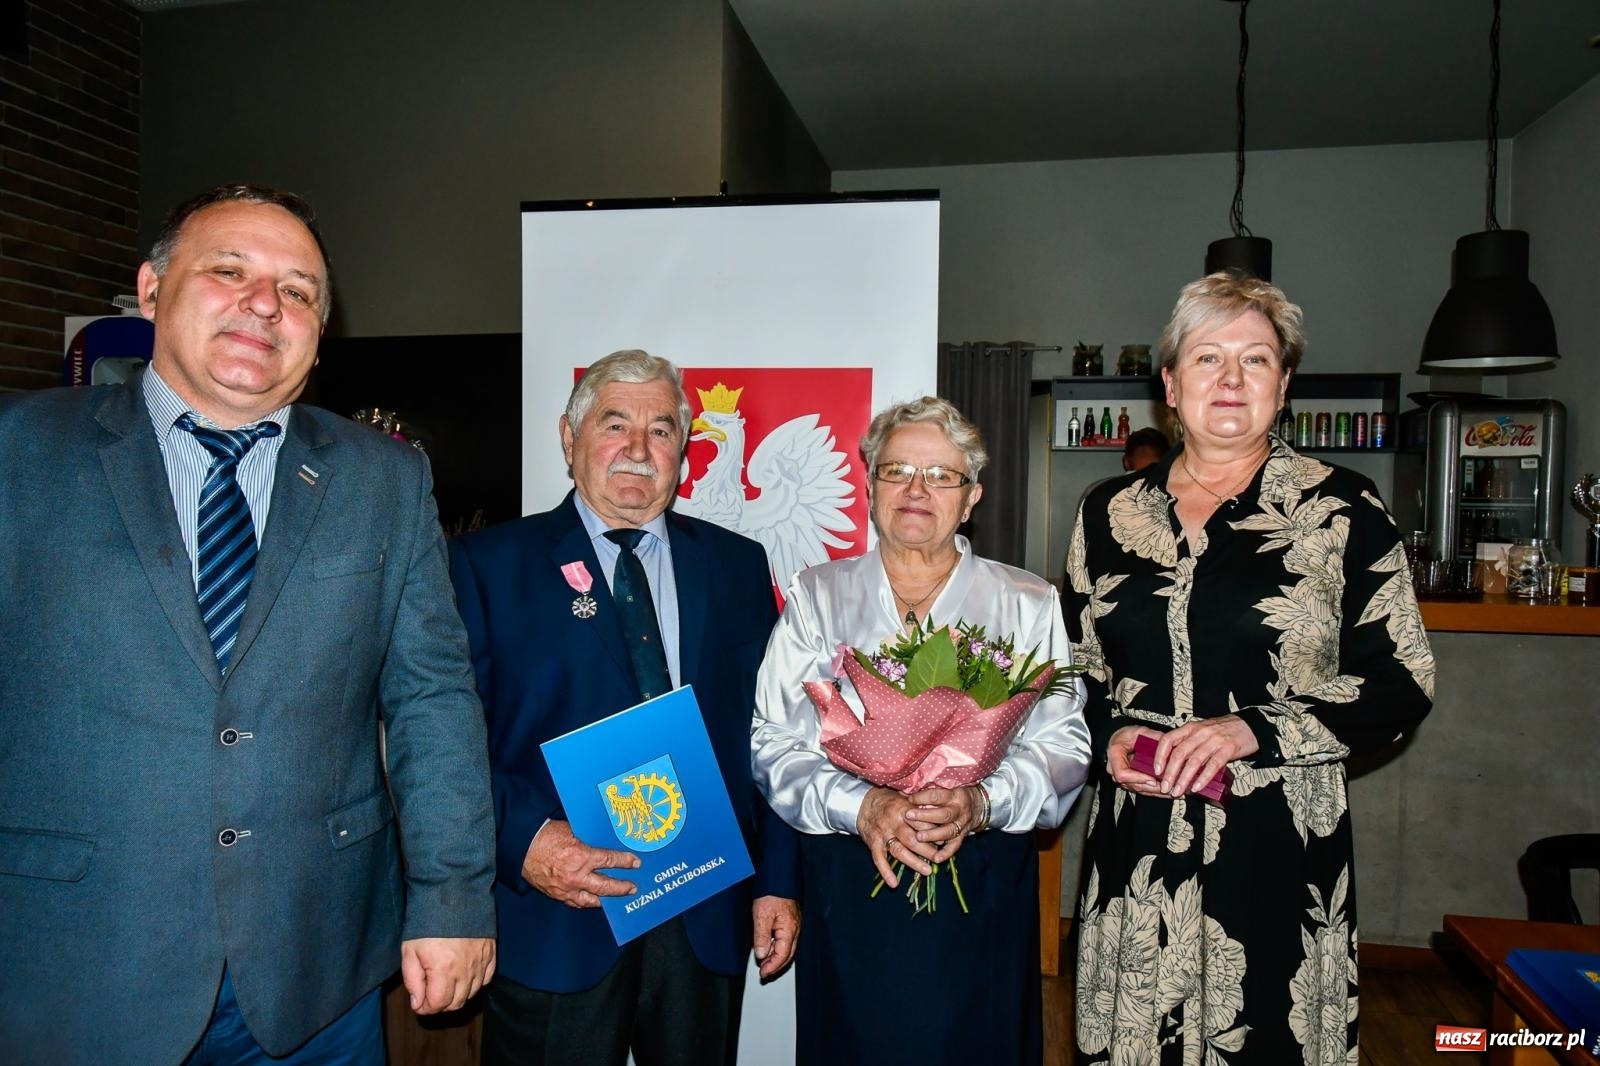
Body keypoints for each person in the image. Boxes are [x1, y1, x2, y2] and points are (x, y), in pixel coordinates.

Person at [0, 184, 496, 1064]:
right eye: (229, 271)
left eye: (298, 290)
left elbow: (431, 700)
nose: (265, 304)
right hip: (71, 967)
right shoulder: (19, 451)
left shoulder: (384, 480)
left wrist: (452, 897)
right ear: (151, 290)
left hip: (315, 976)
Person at [1066, 273, 1435, 1064]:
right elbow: (1075, 664)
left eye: (1256, 359)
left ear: (1285, 382)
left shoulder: (1343, 510)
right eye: (1207, 358)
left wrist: (1251, 730)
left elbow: (1401, 679)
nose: (1230, 380)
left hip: (1278, 839)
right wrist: (1109, 732)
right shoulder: (1107, 511)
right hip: (1138, 838)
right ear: (1170, 383)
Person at [448, 350, 801, 1066]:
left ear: (684, 450)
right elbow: (444, 743)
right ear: (569, 437)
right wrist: (522, 844)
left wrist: (778, 882)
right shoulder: (487, 567)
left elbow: (773, 736)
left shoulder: (736, 566)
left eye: (663, 430)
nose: (639, 450)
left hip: (703, 911)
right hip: (557, 914)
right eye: (615, 424)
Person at [751, 396, 1091, 1065]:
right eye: (897, 470)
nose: (916, 490)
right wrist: (864, 805)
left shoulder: (1026, 601)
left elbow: (1064, 744)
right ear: (871, 483)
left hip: (981, 877)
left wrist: (981, 800)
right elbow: (774, 739)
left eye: (941, 476)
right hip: (852, 879)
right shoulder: (818, 595)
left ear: (972, 499)